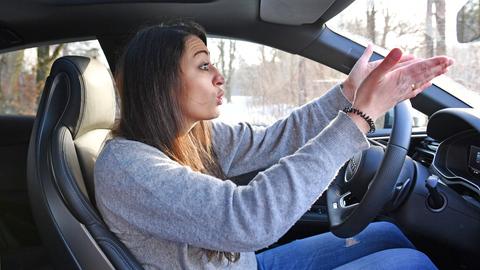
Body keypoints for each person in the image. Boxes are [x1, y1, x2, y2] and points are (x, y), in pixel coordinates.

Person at [94, 21, 453, 270]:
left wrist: (346, 94)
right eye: (203, 66)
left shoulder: (190, 136)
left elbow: (275, 139)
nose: (219, 75)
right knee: (411, 264)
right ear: (160, 83)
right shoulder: (129, 168)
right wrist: (359, 118)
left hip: (249, 264)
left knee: (387, 234)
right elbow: (247, 219)